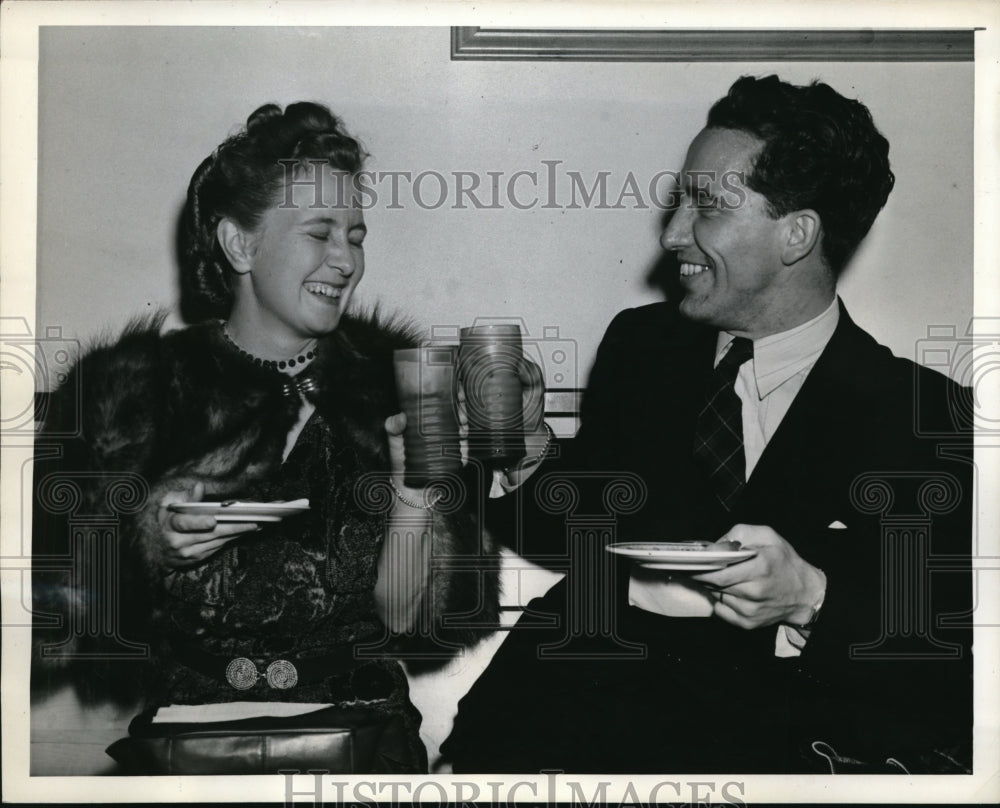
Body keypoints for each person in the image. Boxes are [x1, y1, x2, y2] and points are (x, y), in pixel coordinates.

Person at [442, 75, 973, 774]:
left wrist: (812, 598)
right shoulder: (641, 347)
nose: (671, 234)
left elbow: (941, 661)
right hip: (566, 714)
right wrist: (528, 449)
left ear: (797, 234)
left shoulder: (926, 416)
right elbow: (580, 537)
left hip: (773, 749)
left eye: (707, 207)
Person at [31, 102, 498, 774]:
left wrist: (414, 498)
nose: (347, 261)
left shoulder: (401, 387)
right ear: (239, 243)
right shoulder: (125, 393)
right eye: (321, 232)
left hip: (358, 744)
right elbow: (62, 625)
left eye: (357, 235)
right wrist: (142, 543)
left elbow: (412, 624)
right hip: (183, 752)